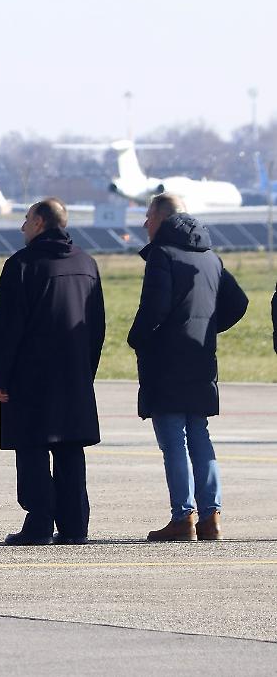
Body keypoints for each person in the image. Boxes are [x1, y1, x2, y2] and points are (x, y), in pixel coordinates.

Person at [128, 194, 248, 542]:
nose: (144, 223)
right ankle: (211, 516)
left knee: (173, 441)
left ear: (163, 219)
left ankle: (183, 516)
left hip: (166, 361)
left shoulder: (162, 255)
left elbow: (155, 308)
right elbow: (238, 303)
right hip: (200, 359)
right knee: (199, 435)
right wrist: (206, 328)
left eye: (148, 216)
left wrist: (138, 338)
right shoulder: (211, 257)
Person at [0, 198, 105, 546]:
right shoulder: (87, 263)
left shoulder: (22, 265)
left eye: (26, 220)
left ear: (40, 223)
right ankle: (74, 525)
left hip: (31, 376)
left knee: (32, 449)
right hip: (74, 375)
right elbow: (97, 325)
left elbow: (7, 327)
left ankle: (38, 522)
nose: (23, 226)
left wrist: (0, 377)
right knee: (70, 448)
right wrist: (86, 370)